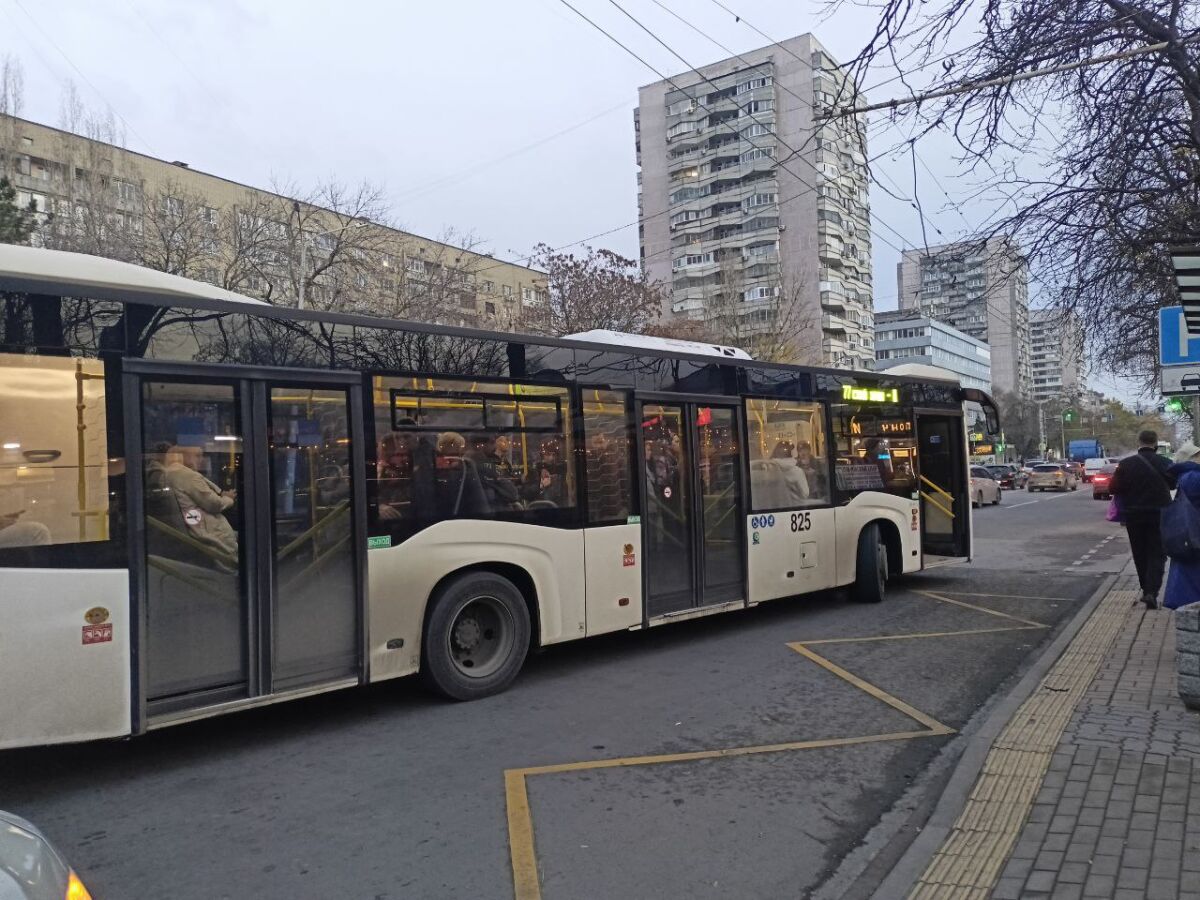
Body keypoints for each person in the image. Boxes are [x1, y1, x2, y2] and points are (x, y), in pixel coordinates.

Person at [1110, 429, 1176, 609]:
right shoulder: (1165, 463)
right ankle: (1151, 592)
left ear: (1138, 442)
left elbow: (1113, 488)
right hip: (1159, 514)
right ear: (1155, 443)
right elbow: (1173, 484)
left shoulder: (1126, 464)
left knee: (1140, 553)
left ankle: (1145, 589)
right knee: (1157, 553)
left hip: (1134, 514)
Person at [164, 444, 239, 560]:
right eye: (197, 456)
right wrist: (229, 498)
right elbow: (214, 504)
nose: (202, 460)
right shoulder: (188, 476)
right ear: (183, 456)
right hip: (211, 535)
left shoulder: (171, 473)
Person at [1165, 443, 1200, 609]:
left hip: (1190, 534)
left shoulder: (1186, 476)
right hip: (1195, 533)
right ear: (1193, 458)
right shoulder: (1194, 476)